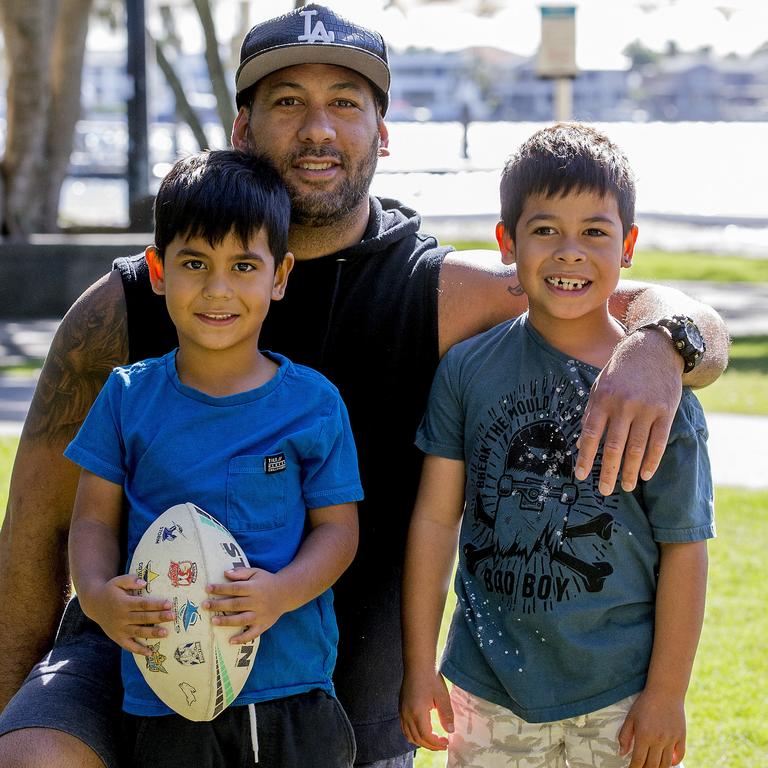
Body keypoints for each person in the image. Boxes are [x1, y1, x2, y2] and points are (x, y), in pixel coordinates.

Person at [0, 5, 728, 768]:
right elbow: (34, 533)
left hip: (330, 705)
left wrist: (658, 341)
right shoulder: (126, 308)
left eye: (345, 102)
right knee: (36, 756)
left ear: (382, 132)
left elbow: (646, 309)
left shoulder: (439, 293)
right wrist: (14, 706)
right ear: (242, 129)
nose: (318, 128)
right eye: (288, 102)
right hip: (136, 660)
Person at [399, 123, 714, 768]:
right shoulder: (467, 369)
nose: (570, 252)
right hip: (489, 689)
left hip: (621, 695)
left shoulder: (657, 392)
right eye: (545, 229)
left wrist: (667, 694)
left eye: (595, 232)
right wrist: (418, 661)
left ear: (627, 245)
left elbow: (685, 549)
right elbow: (435, 519)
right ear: (506, 243)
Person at [64, 149, 362, 767]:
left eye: (243, 265)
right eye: (195, 263)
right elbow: (92, 520)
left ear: (279, 276)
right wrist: (97, 596)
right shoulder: (127, 397)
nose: (217, 289)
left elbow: (338, 532)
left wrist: (280, 592)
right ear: (157, 270)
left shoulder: (312, 403)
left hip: (292, 696)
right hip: (165, 695)